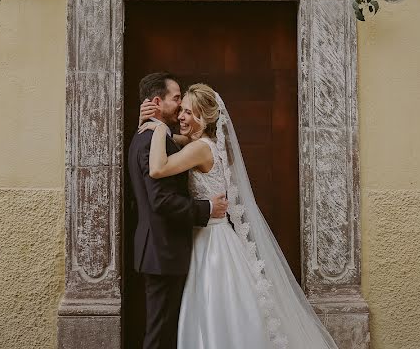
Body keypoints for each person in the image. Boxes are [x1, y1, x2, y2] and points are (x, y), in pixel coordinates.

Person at [139, 82, 338, 349]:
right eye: (181, 110)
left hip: (210, 241)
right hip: (218, 233)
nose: (181, 117)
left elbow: (158, 168)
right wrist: (152, 124)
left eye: (188, 112)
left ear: (203, 117)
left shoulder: (199, 149)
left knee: (211, 306)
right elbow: (177, 142)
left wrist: (160, 127)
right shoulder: (207, 144)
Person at [127, 72, 228, 349]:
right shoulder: (152, 139)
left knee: (170, 327)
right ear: (158, 102)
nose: (180, 110)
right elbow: (160, 200)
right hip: (163, 250)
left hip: (170, 249)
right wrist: (207, 207)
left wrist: (154, 125)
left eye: (187, 109)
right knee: (160, 332)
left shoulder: (155, 137)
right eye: (176, 101)